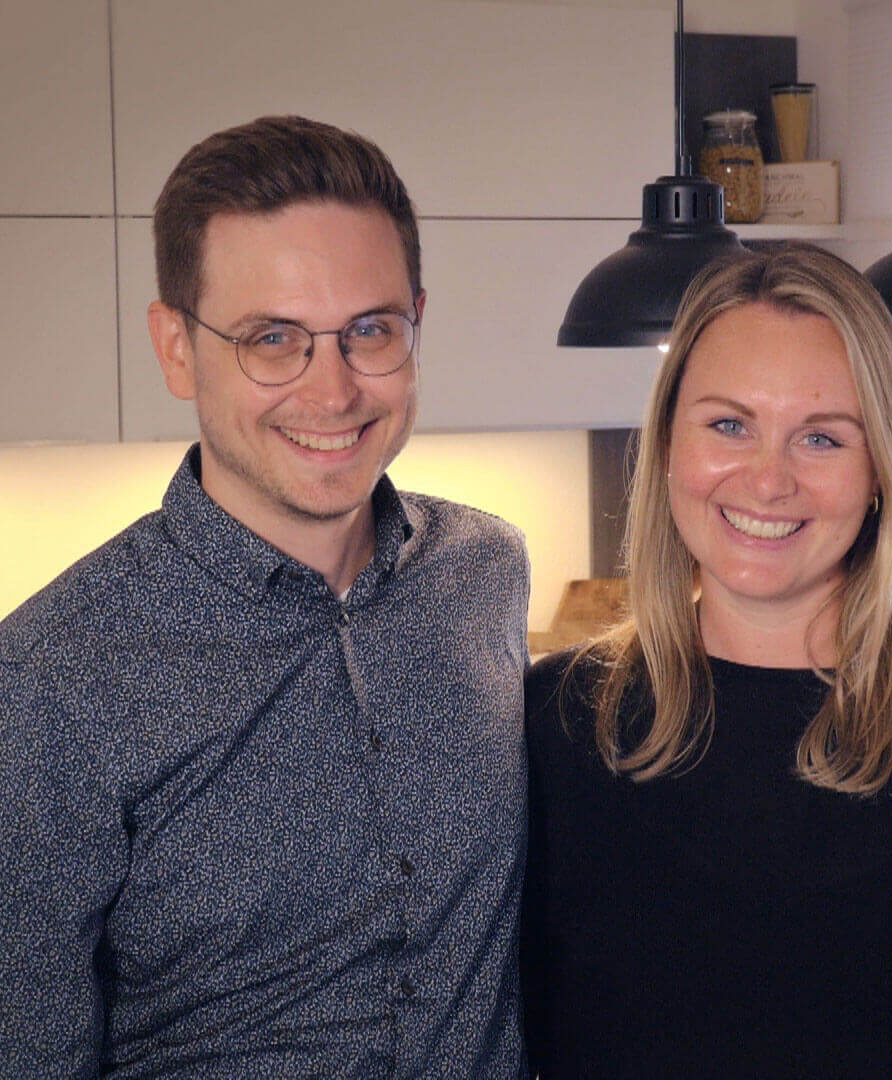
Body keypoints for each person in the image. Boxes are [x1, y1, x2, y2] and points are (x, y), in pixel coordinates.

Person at [0, 116, 530, 1077]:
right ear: (175, 347)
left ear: (417, 323)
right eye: (271, 339)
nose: (332, 393)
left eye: (370, 331)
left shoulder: (486, 572)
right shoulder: (47, 681)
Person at [521, 244, 892, 1078]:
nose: (767, 479)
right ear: (669, 442)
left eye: (821, 438)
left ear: (880, 470)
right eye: (729, 424)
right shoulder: (560, 722)